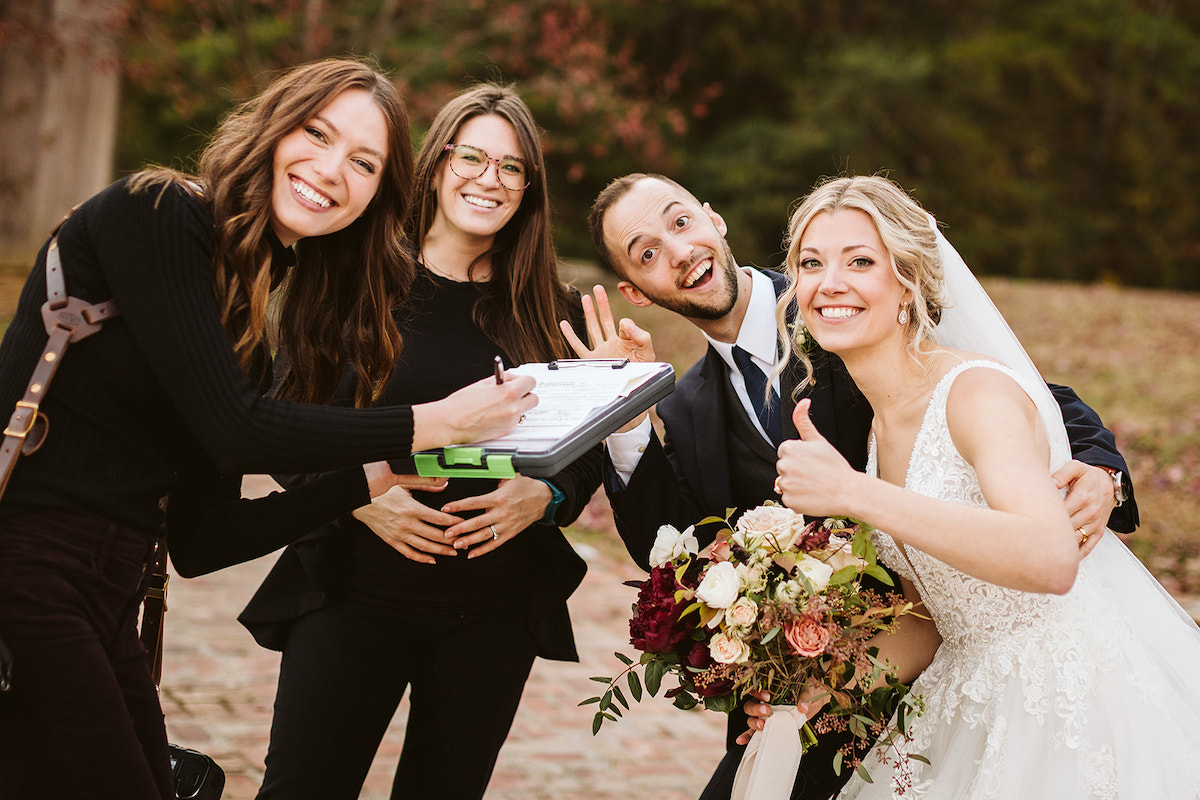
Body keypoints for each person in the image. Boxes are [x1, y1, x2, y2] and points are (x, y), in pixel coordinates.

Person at [0, 58, 536, 800]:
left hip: (111, 594)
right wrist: (429, 425)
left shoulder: (246, 319)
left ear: (376, 195)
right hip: (29, 560)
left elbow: (204, 540)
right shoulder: (157, 210)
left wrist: (370, 480)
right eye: (316, 133)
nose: (330, 169)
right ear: (275, 125)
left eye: (364, 163)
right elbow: (238, 430)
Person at [563, 173, 1139, 800]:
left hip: (964, 672)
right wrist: (624, 420)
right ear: (634, 292)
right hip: (835, 681)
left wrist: (1101, 469)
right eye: (647, 253)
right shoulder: (685, 406)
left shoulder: (843, 296)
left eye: (680, 223)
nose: (678, 252)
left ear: (712, 218)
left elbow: (1011, 388)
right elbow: (675, 553)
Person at [755, 174, 1200, 797]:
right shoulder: (881, 428)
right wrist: (823, 690)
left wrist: (854, 493)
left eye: (860, 260)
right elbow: (933, 612)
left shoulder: (974, 395)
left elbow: (1050, 559)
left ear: (907, 280)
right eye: (811, 263)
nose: (830, 282)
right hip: (965, 697)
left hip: (1065, 704)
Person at [243, 83, 601, 800]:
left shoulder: (550, 308)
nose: (487, 178)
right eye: (472, 156)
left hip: (491, 611)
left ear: (528, 190)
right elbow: (279, 422)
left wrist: (547, 494)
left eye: (510, 167)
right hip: (353, 590)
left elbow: (587, 444)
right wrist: (354, 500)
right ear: (436, 166)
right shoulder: (351, 276)